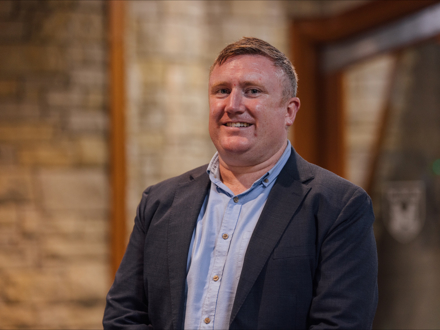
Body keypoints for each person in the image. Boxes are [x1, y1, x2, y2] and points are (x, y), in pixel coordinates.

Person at [103, 37, 378, 330]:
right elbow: (123, 315)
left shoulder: (338, 205)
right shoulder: (160, 201)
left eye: (252, 91)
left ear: (289, 111)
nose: (233, 106)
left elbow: (340, 324)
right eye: (222, 91)